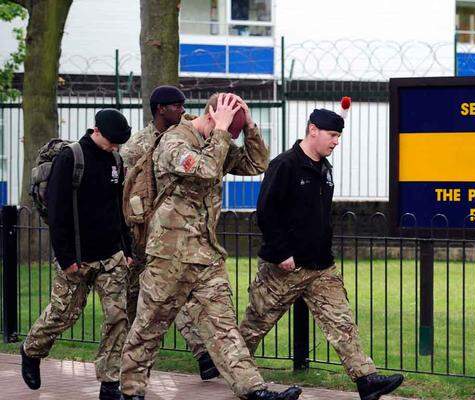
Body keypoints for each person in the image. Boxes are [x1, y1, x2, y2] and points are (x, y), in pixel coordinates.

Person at [120, 92, 302, 400]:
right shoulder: (174, 141)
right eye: (229, 129)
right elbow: (204, 170)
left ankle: (252, 389)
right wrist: (221, 131)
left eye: (234, 132)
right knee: (150, 325)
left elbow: (258, 163)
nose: (230, 138)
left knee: (223, 325)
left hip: (206, 254)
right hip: (169, 255)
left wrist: (250, 127)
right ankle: (131, 390)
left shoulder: (218, 142)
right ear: (212, 116)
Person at [238, 109, 405, 400]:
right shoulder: (284, 165)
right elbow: (266, 212)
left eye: (339, 136)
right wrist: (280, 253)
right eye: (332, 135)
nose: (336, 141)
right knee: (254, 326)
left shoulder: (325, 169)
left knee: (342, 322)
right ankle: (229, 369)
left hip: (320, 267)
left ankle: (367, 380)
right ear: (312, 130)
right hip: (284, 268)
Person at [20, 109, 133, 400]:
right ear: (96, 131)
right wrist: (67, 257)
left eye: (119, 143)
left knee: (118, 318)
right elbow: (58, 213)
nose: (115, 147)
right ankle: (31, 350)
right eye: (112, 141)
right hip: (78, 258)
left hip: (112, 256)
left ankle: (110, 383)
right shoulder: (71, 158)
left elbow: (118, 210)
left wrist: (127, 248)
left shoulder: (116, 161)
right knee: (62, 315)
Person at [120, 85, 218, 380]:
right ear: (160, 109)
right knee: (136, 304)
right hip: (141, 232)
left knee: (178, 296)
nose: (183, 110)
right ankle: (127, 366)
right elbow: (123, 192)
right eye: (177, 106)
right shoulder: (137, 146)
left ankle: (203, 355)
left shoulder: (188, 138)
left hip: (172, 235)